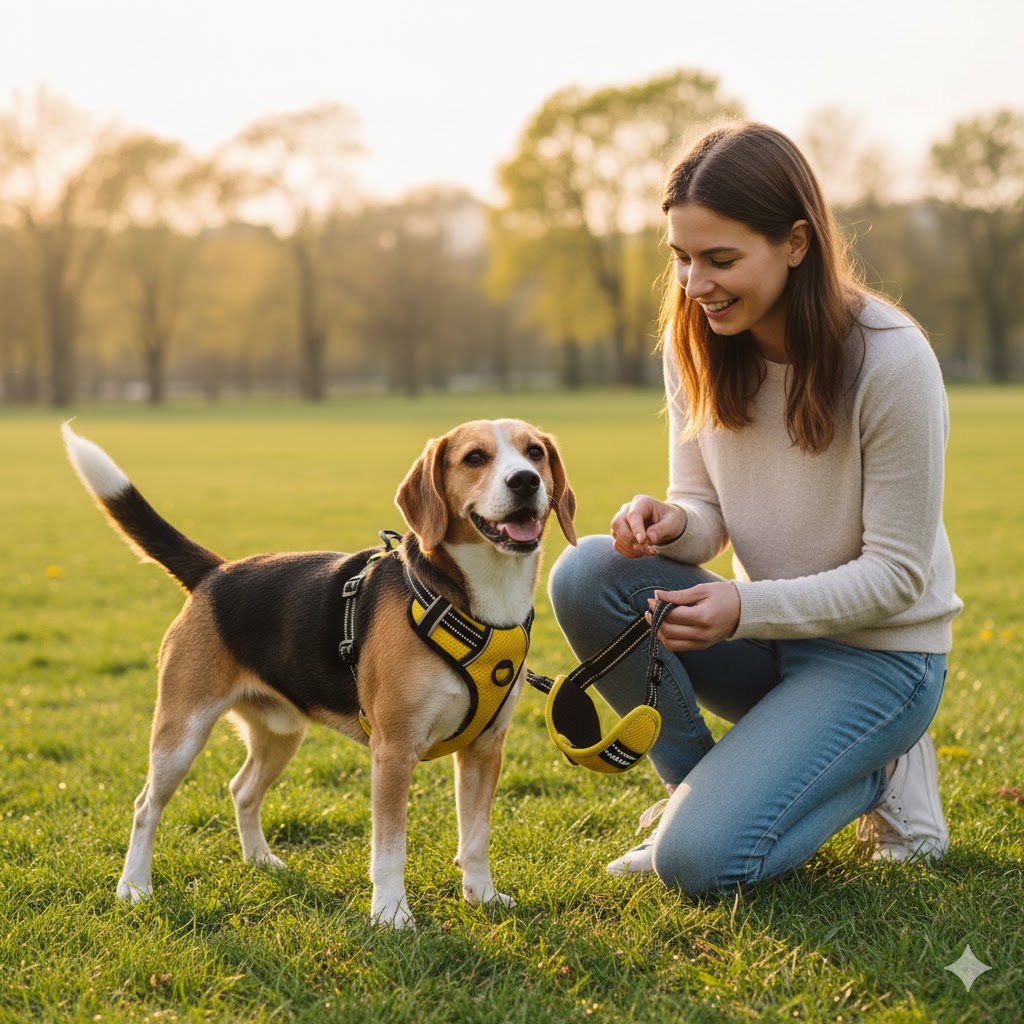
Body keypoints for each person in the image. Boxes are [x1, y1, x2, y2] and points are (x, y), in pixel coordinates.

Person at [547, 121, 962, 895]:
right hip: (771, 645)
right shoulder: (696, 340)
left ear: (797, 243)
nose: (695, 283)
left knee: (701, 866)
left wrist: (741, 606)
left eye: (720, 260)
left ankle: (883, 769)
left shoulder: (892, 359)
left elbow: (900, 578)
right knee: (585, 575)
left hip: (879, 661)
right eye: (681, 258)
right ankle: (696, 794)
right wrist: (673, 524)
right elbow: (702, 508)